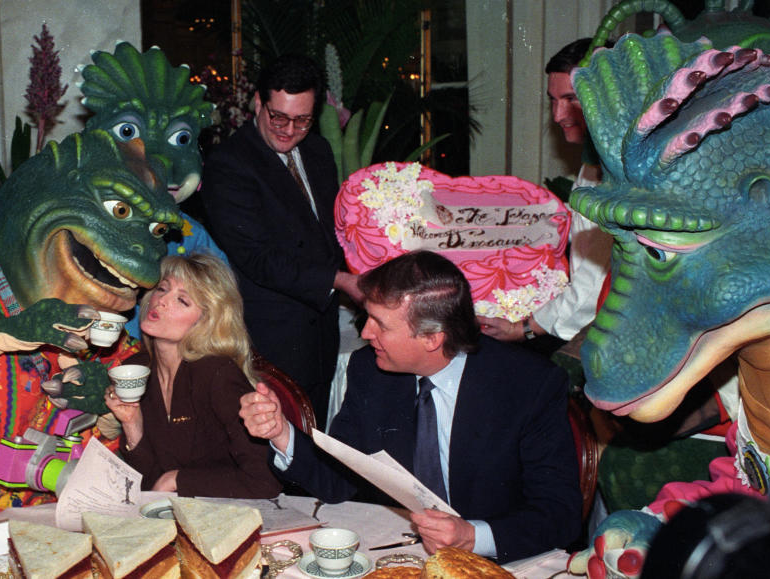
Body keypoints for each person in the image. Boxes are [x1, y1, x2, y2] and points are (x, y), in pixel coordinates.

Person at [239, 251, 581, 563]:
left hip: (495, 563)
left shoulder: (528, 385)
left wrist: (473, 535)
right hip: (396, 554)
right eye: (367, 316)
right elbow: (338, 478)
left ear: (432, 338)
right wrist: (281, 432)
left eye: (381, 324)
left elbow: (560, 515)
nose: (366, 332)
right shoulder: (370, 370)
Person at [200, 53, 360, 429]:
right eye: (279, 117)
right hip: (271, 340)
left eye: (302, 119)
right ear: (258, 102)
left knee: (314, 444)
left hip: (320, 335)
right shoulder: (229, 163)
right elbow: (258, 258)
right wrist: (338, 280)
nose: (289, 130)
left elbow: (328, 234)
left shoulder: (319, 152)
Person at [104, 253, 282, 499]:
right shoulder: (136, 369)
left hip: (229, 518)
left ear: (206, 321)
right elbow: (148, 488)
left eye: (182, 300)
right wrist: (132, 424)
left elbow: (265, 481)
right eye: (162, 288)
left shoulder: (217, 374)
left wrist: (177, 479)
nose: (162, 300)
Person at [478, 38, 613, 348]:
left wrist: (525, 328)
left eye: (570, 99)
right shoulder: (594, 160)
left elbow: (594, 278)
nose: (557, 115)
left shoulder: (617, 169)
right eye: (553, 100)